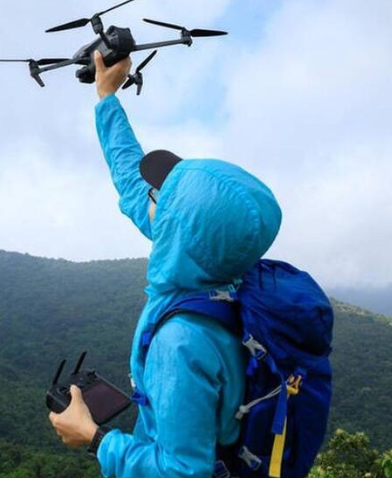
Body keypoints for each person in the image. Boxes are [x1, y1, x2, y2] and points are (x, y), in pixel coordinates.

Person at [49, 51, 283, 478]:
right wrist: (107, 97)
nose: (149, 198)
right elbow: (132, 182)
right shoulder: (227, 272)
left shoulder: (180, 343)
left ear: (176, 231)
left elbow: (182, 472)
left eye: (161, 198)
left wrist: (94, 438)